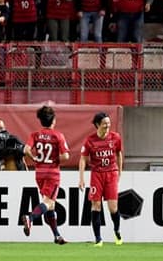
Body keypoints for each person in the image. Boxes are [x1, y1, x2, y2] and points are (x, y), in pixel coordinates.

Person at [21, 106, 70, 245]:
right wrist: (55, 159)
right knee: (48, 202)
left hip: (39, 173)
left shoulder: (35, 135)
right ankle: (30, 218)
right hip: (52, 173)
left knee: (51, 205)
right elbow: (66, 156)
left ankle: (57, 236)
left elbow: (26, 150)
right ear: (53, 120)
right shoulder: (58, 135)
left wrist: (35, 158)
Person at [78, 112, 124, 247]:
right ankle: (98, 239)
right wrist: (81, 178)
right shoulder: (89, 141)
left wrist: (120, 172)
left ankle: (117, 231)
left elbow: (119, 154)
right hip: (97, 174)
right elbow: (82, 159)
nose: (107, 126)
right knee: (96, 205)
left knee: (113, 208)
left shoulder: (115, 137)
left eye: (109, 123)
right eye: (105, 123)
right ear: (98, 124)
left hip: (111, 173)